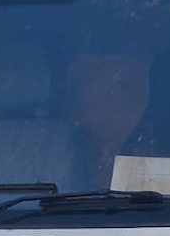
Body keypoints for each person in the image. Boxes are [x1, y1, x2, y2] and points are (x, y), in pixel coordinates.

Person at [63, 52, 152, 188]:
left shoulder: (161, 147)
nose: (115, 98)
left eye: (126, 88)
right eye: (109, 89)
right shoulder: (47, 153)